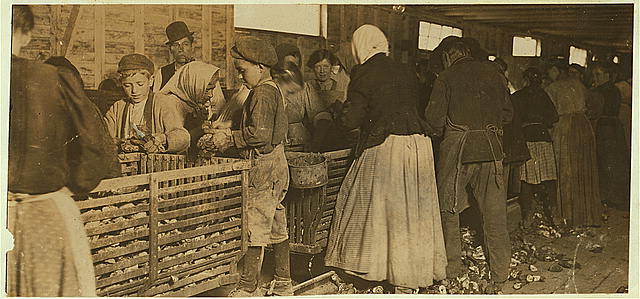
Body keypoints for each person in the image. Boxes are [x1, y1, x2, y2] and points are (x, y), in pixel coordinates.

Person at [324, 24, 446, 294]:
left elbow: (352, 119)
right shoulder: (404, 69)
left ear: (360, 46)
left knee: (375, 206)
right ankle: (411, 271)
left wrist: (337, 114)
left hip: (388, 145)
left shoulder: (364, 72)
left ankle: (375, 268)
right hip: (418, 145)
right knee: (410, 210)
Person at [8, 5, 120, 296]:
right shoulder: (50, 79)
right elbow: (94, 152)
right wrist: (71, 187)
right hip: (42, 215)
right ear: (26, 33)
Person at [200, 37, 292, 297]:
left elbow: (259, 135)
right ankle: (284, 281)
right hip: (277, 165)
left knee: (255, 227)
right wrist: (228, 126)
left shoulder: (262, 92)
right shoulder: (272, 88)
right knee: (276, 223)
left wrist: (228, 138)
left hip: (263, 167)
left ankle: (247, 287)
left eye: (243, 70)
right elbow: (261, 127)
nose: (240, 76)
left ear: (260, 67)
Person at [425, 36, 512, 285]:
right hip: (491, 150)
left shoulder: (447, 77)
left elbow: (434, 120)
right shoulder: (495, 73)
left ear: (447, 56)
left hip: (459, 151)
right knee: (495, 214)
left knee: (448, 209)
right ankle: (501, 272)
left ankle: (453, 270)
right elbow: (508, 113)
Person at [544, 60, 602, 227]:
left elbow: (549, 113)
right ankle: (588, 215)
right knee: (584, 170)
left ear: (556, 69)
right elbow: (593, 104)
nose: (550, 75)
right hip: (583, 127)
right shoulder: (578, 84)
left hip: (565, 128)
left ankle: (569, 216)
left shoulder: (552, 88)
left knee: (566, 170)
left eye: (550, 71)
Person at [103, 54, 190, 154]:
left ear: (151, 81)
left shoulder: (162, 103)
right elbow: (103, 136)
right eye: (127, 85)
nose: (134, 91)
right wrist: (113, 142)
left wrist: (162, 139)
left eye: (140, 84)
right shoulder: (118, 107)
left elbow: (183, 137)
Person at [511, 68, 559, 227]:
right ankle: (555, 214)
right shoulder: (543, 95)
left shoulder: (517, 96)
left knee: (526, 180)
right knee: (549, 178)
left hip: (527, 140)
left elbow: (512, 120)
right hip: (543, 138)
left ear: (525, 80)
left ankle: (527, 217)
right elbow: (554, 117)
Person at [156, 61, 226, 158]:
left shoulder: (192, 102)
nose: (211, 95)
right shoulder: (169, 103)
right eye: (206, 89)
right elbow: (177, 141)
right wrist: (199, 130)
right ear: (193, 84)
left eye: (212, 89)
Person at [590, 62, 630, 210]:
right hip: (615, 128)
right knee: (616, 161)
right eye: (594, 75)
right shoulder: (614, 89)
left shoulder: (599, 91)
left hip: (604, 129)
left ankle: (608, 196)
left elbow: (594, 112)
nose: (595, 77)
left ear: (607, 75)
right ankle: (619, 197)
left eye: (598, 74)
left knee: (605, 161)